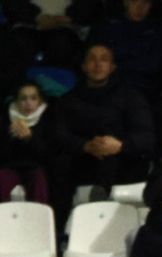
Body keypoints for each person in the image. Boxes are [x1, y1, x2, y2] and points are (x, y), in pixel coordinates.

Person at [50, 44, 154, 219]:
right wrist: (85, 146)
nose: (98, 64)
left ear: (112, 67)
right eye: (92, 59)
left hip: (122, 166)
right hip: (81, 165)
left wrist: (121, 145)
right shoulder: (67, 101)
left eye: (104, 59)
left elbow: (146, 136)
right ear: (83, 66)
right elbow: (57, 135)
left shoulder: (131, 98)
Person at [89, 0, 162, 142]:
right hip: (110, 85)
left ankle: (156, 159)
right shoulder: (106, 27)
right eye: (135, 2)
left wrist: (120, 63)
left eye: (145, 3)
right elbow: (95, 59)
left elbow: (155, 65)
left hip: (146, 88)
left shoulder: (160, 32)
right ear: (125, 2)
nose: (139, 7)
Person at [0, 81, 56, 205]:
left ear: (40, 101)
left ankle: (39, 220)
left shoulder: (49, 116)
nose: (28, 103)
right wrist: (11, 136)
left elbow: (50, 153)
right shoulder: (5, 117)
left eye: (33, 98)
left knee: (39, 178)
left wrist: (30, 137)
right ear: (16, 101)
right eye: (23, 98)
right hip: (10, 166)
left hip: (38, 167)